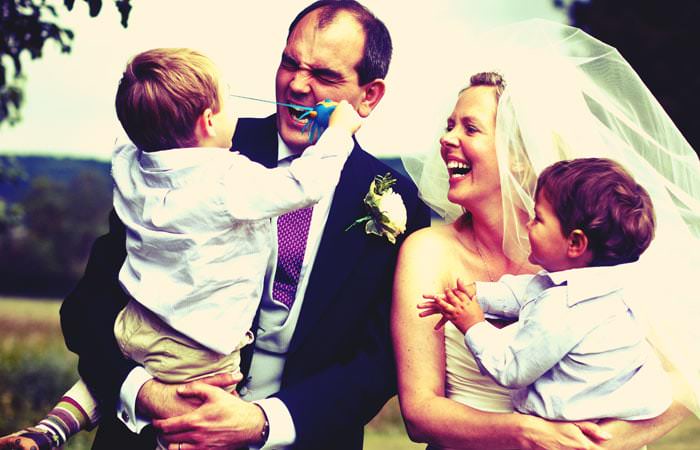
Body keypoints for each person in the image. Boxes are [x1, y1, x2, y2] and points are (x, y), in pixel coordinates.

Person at [57, 1, 431, 450]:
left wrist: (264, 422)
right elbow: (89, 309)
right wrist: (151, 395)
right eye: (289, 63)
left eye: (325, 76)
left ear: (368, 96)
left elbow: (378, 362)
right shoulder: (189, 149)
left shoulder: (397, 200)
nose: (297, 84)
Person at [0, 45, 363, 450]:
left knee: (99, 383)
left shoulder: (133, 165)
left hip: (138, 323)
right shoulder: (230, 177)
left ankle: (50, 429)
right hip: (202, 351)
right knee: (202, 412)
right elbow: (303, 185)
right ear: (209, 120)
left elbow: (131, 140)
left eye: (325, 75)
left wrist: (152, 106)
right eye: (228, 99)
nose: (297, 82)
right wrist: (338, 135)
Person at [393, 19, 700, 450]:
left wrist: (611, 440)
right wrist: (525, 433)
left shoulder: (601, 247)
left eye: (470, 128)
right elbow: (420, 413)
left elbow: (690, 372)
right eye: (449, 125)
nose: (447, 139)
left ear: (517, 155)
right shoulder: (426, 253)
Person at [420, 157, 671, 422]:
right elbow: (528, 291)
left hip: (562, 426)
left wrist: (472, 324)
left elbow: (512, 367)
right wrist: (478, 293)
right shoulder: (601, 285)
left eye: (538, 219)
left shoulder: (565, 309)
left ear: (575, 242)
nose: (528, 224)